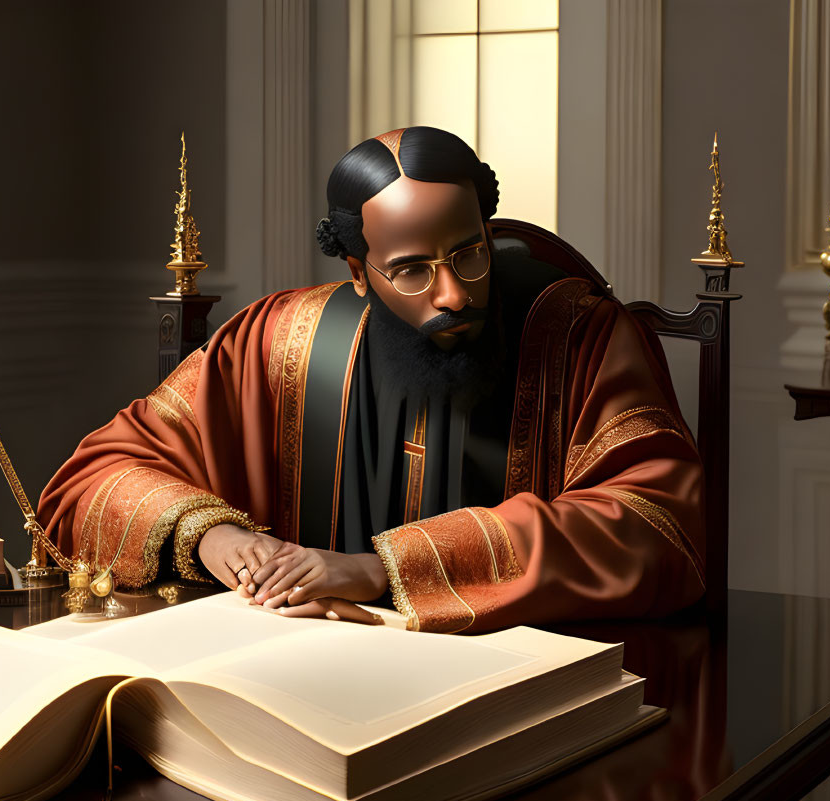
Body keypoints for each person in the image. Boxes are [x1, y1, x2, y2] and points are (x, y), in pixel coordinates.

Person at [38, 126, 705, 632]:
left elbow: (657, 524)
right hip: (299, 663)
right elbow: (90, 478)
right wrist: (218, 540)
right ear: (357, 271)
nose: (452, 293)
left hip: (522, 681)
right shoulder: (277, 340)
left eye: (469, 254)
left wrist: (378, 569)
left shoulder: (579, 334)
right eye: (411, 269)